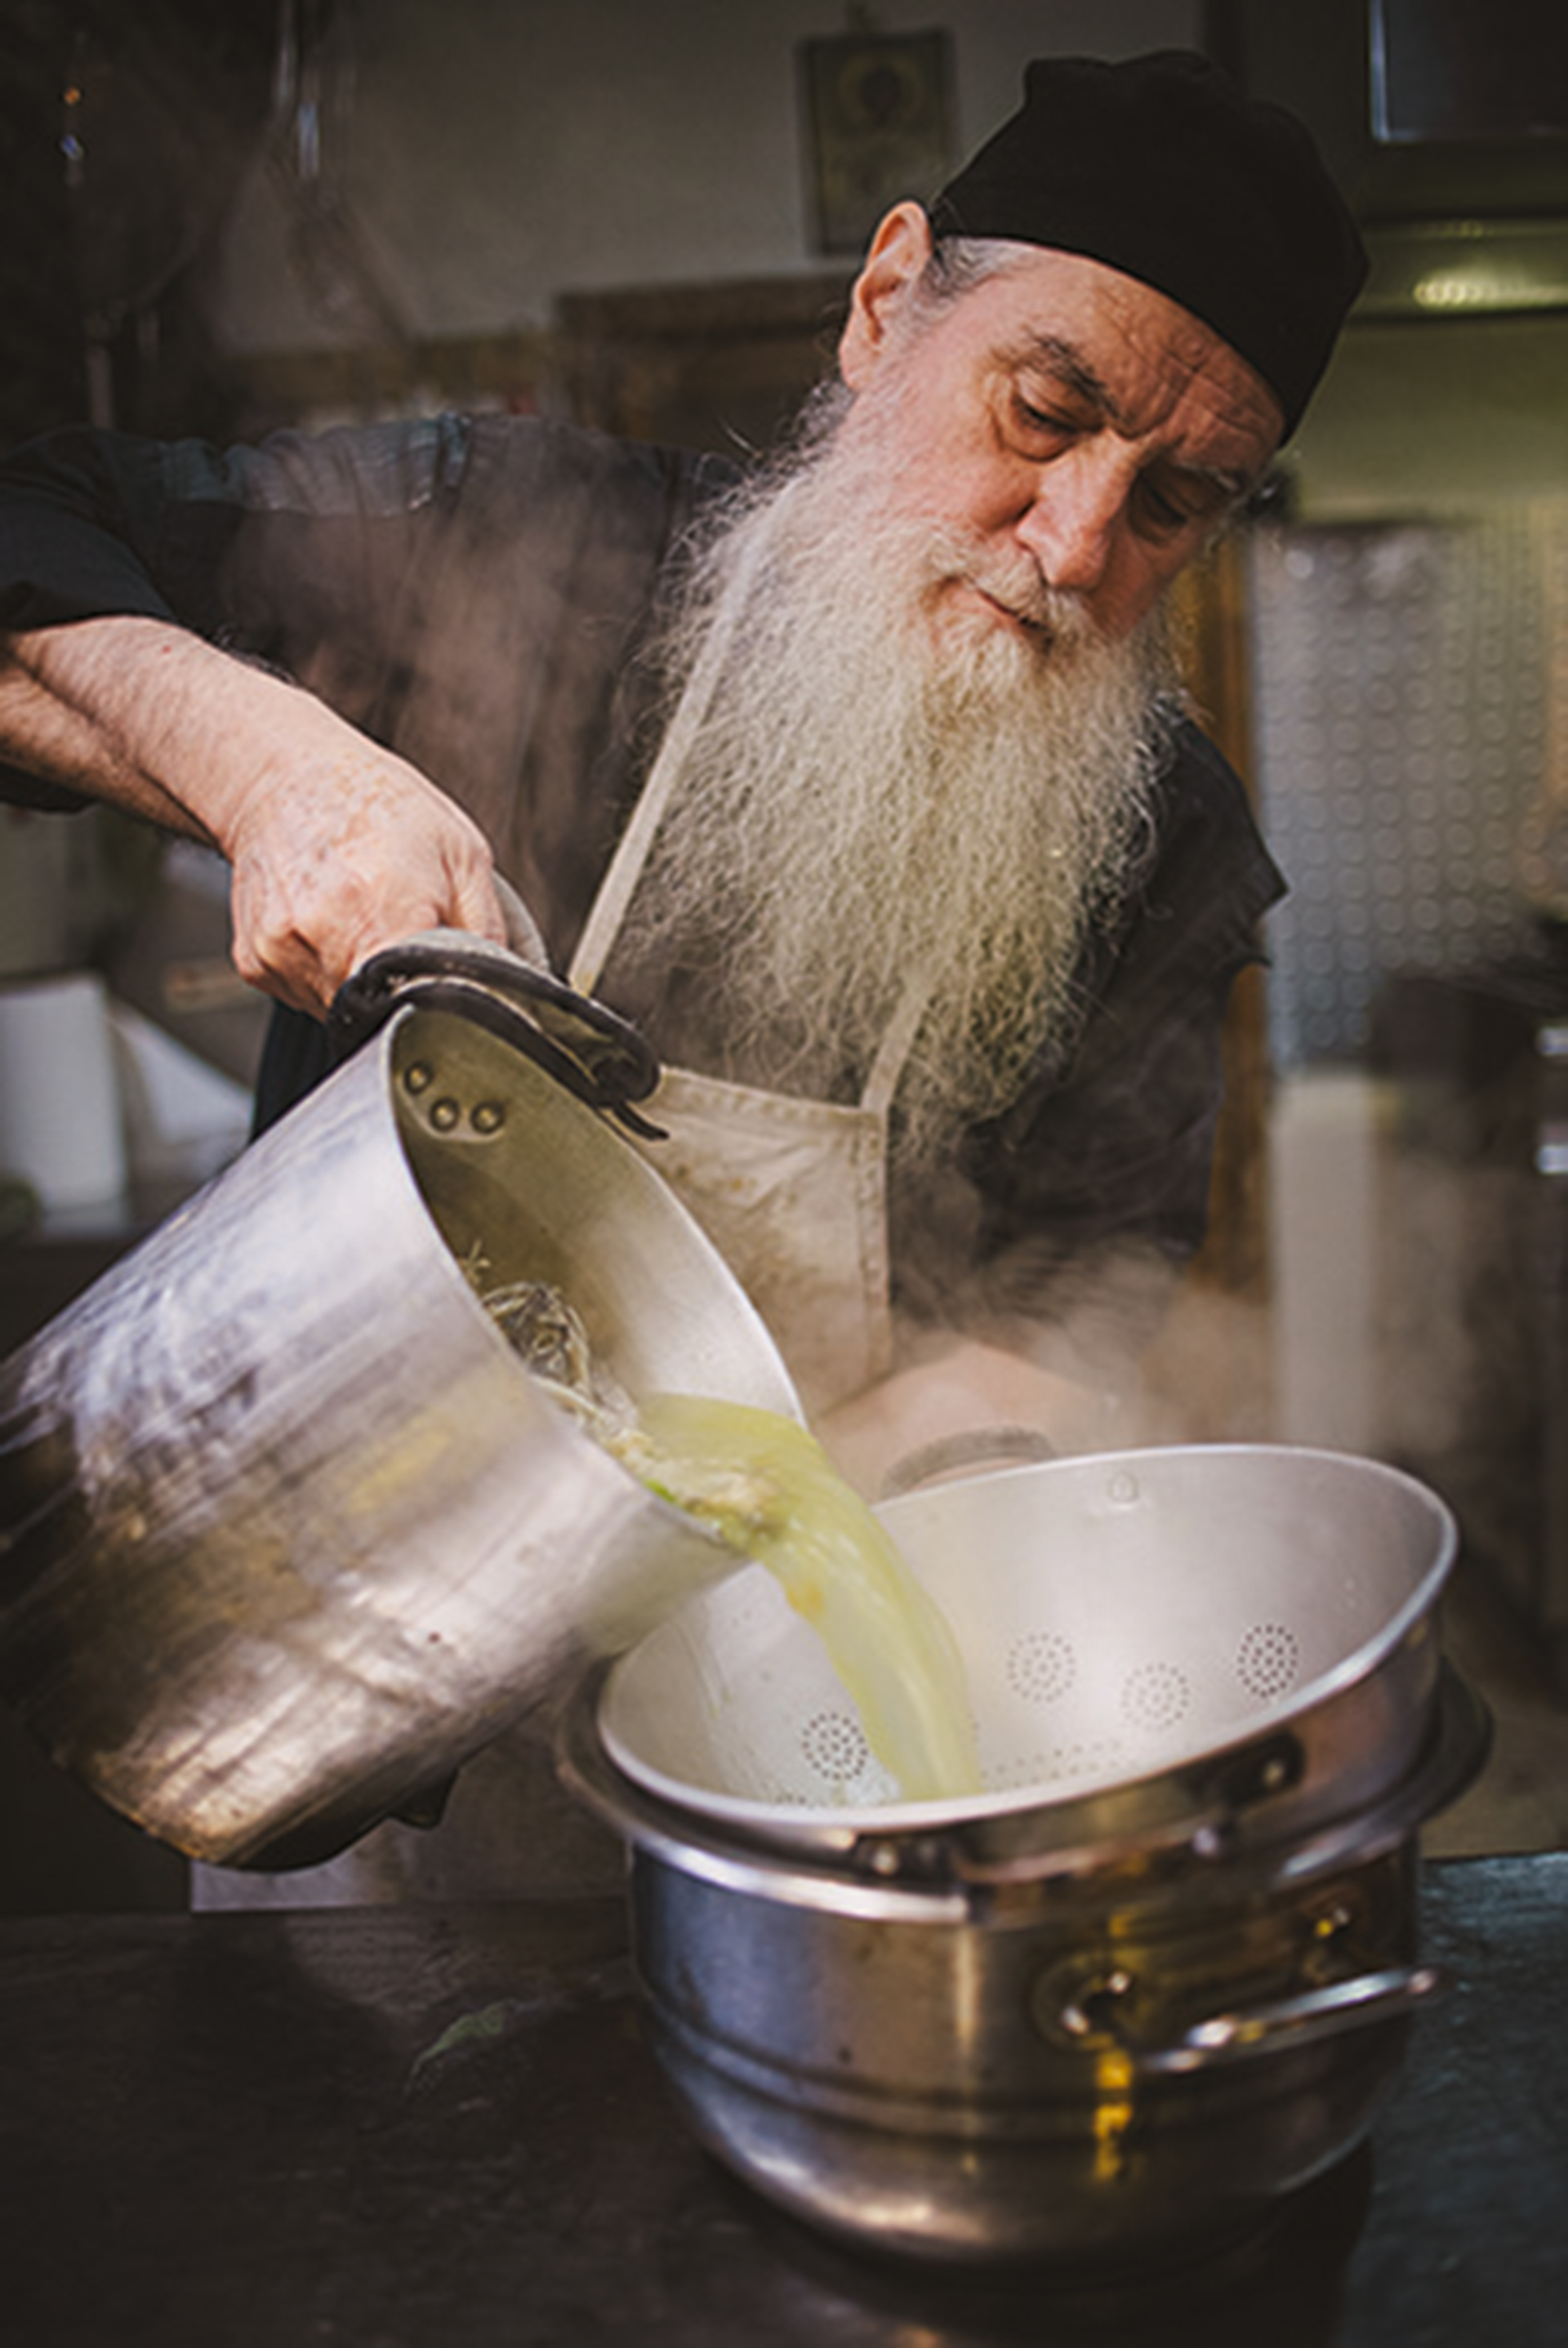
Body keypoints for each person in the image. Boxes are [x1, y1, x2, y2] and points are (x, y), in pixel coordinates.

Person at [0, 52, 1366, 1902]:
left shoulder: (1163, 846)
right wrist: (273, 766)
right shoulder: (509, 546)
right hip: (332, 1687)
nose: (1072, 548)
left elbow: (1079, 1283)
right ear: (888, 305)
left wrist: (951, 1425)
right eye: (1046, 412)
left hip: (784, 1745)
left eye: (1177, 504)